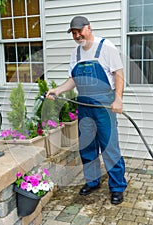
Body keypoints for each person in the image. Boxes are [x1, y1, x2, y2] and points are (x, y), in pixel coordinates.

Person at [46, 16, 127, 204]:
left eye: (79, 31)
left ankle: (117, 187)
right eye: (73, 33)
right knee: (87, 147)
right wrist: (57, 89)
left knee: (109, 147)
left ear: (88, 28)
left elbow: (119, 74)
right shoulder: (76, 53)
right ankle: (92, 182)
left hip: (105, 105)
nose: (76, 36)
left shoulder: (107, 48)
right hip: (84, 105)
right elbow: (73, 79)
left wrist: (118, 99)